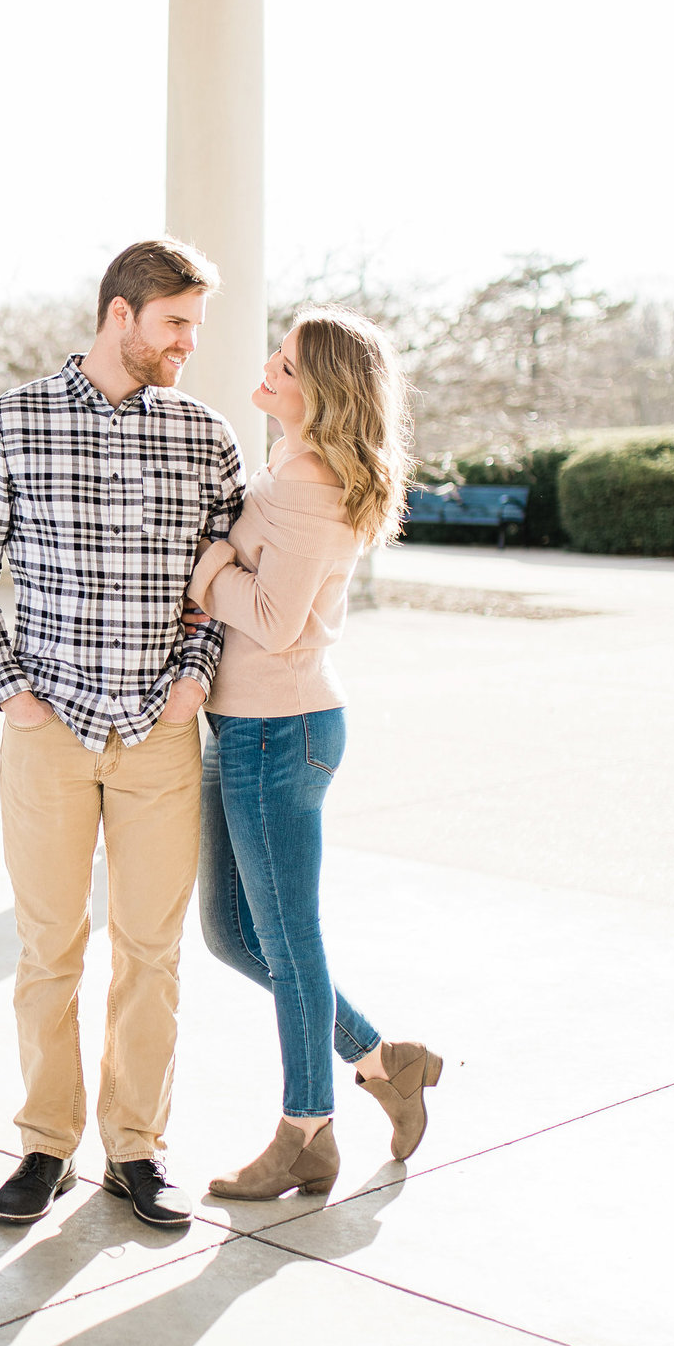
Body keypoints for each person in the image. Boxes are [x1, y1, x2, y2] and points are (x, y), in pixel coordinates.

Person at [0, 238, 245, 1230]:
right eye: (175, 324)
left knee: (151, 950)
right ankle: (43, 1142)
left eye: (193, 325)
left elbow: (226, 585)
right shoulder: (10, 422)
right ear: (121, 314)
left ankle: (135, 1148)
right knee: (48, 945)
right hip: (47, 730)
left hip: (159, 733)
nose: (188, 344)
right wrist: (12, 692)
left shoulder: (206, 436)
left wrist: (193, 681)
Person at [184, 309, 443, 1201]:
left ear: (322, 392)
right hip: (246, 727)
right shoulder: (295, 469)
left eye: (286, 364)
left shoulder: (308, 481)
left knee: (291, 945)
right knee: (233, 935)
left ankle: (306, 1131)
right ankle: (384, 1059)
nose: (267, 365)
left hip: (276, 731)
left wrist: (208, 569)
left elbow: (270, 617)